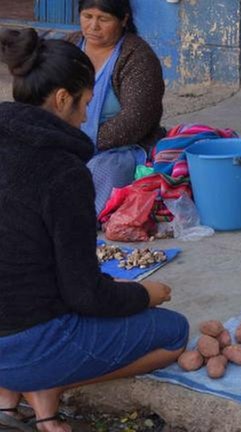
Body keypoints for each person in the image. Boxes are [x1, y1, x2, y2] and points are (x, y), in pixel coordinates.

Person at [0, 29, 187, 432]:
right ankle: (43, 386)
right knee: (174, 333)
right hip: (28, 341)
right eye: (85, 103)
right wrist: (143, 294)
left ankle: (10, 396)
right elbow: (85, 293)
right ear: (62, 98)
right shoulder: (63, 171)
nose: (87, 117)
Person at [69, 0, 165, 215]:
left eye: (103, 19)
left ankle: (80, 221)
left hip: (122, 148)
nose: (93, 26)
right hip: (69, 140)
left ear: (123, 20)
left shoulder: (137, 57)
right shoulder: (70, 46)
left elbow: (135, 120)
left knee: (99, 171)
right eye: (87, 16)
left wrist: (83, 143)